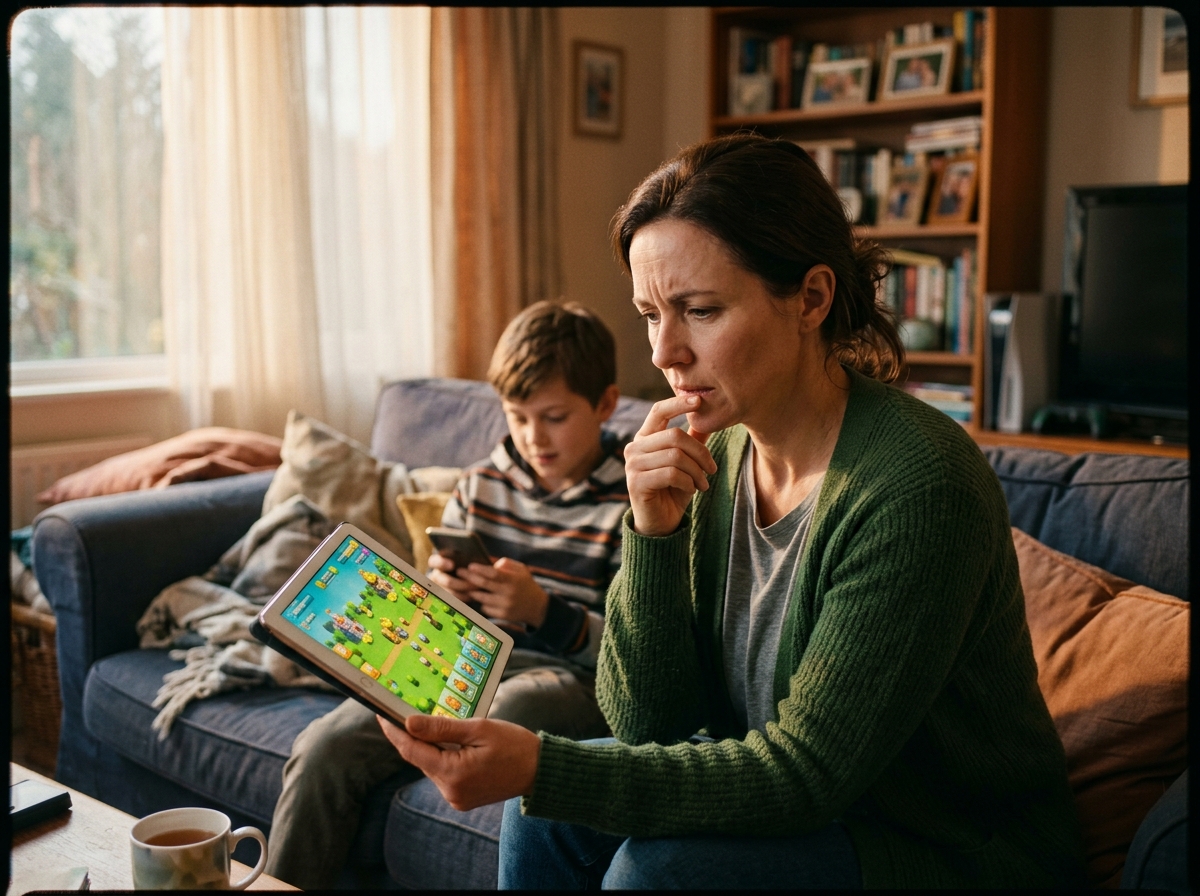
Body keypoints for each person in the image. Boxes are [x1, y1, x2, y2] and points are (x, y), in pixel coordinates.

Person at [377, 134, 1086, 890]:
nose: (664, 353)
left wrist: (543, 764)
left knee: (658, 870)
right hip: (821, 818)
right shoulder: (716, 452)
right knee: (540, 814)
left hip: (948, 845)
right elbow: (648, 727)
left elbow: (808, 774)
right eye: (651, 314)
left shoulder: (917, 486)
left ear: (811, 298)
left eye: (701, 311)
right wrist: (651, 531)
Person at [264, 300, 630, 889]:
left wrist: (542, 611)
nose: (534, 437)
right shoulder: (481, 484)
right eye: (517, 416)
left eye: (555, 416)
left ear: (605, 404)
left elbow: (635, 653)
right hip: (463, 660)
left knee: (506, 712)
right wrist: (437, 593)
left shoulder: (631, 502)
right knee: (323, 746)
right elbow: (434, 614)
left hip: (569, 676)